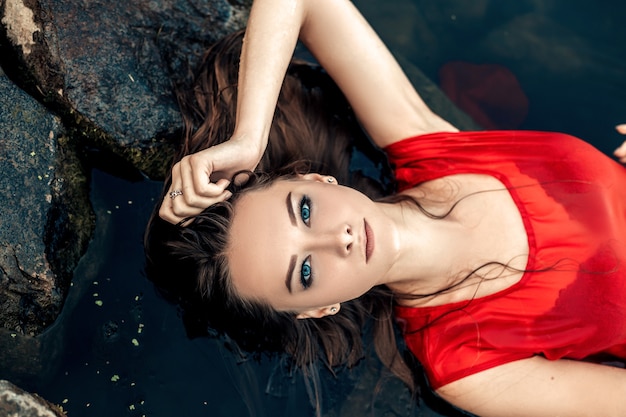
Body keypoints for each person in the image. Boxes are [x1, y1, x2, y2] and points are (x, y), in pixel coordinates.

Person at [145, 0, 626, 415]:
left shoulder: (428, 146)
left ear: (314, 179)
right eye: (306, 272)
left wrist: (248, 139)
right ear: (316, 309)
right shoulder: (467, 364)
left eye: (306, 211)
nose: (340, 239)